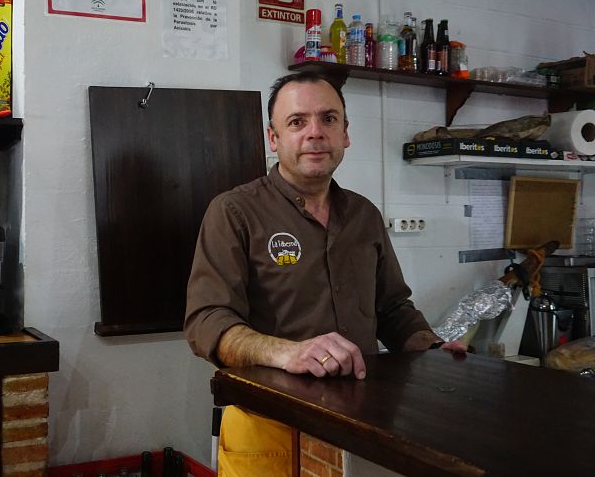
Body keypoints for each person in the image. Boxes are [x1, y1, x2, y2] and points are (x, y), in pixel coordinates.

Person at [184, 71, 465, 476]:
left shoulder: (364, 215)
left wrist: (431, 348)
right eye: (297, 122)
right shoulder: (233, 212)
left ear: (345, 133)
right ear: (273, 137)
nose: (315, 132)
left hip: (359, 423)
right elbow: (206, 320)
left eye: (328, 119)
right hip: (267, 427)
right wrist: (288, 352)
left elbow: (391, 307)